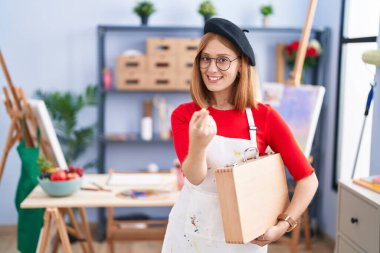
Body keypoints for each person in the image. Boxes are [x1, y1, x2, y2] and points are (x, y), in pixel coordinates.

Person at [161, 18, 318, 253]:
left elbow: (308, 180)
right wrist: (199, 146)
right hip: (190, 236)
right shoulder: (186, 115)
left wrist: (283, 225)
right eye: (206, 59)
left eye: (223, 60)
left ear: (241, 65)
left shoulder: (264, 117)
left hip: (246, 240)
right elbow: (195, 178)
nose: (212, 68)